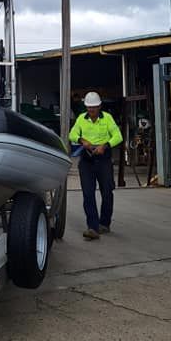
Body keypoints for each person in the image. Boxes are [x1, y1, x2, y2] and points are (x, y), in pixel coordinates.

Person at [69, 91, 123, 240]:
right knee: (88, 194)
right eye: (89, 107)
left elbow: (118, 136)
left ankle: (104, 223)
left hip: (103, 159)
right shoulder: (81, 119)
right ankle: (92, 227)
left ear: (99, 106)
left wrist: (105, 145)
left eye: (94, 107)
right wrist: (81, 141)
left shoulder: (107, 119)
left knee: (107, 192)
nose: (91, 110)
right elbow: (71, 134)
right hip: (86, 160)